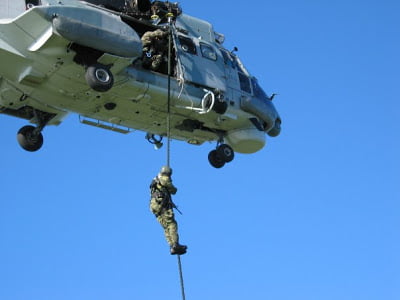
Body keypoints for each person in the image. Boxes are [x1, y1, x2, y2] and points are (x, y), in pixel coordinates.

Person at [150, 166, 187, 255]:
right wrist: (171, 183)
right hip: (162, 205)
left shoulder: (155, 180)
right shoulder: (165, 179)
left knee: (166, 226)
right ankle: (175, 244)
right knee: (171, 224)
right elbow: (173, 191)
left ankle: (172, 246)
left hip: (154, 206)